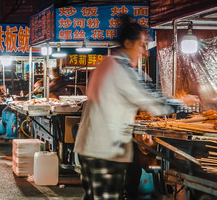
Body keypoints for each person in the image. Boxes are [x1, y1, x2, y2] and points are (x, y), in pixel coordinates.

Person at [74, 16, 199, 200]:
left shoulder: (107, 63)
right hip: (105, 150)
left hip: (90, 148)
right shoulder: (121, 68)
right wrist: (182, 102)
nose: (145, 51)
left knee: (92, 196)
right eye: (141, 44)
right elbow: (150, 98)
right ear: (127, 43)